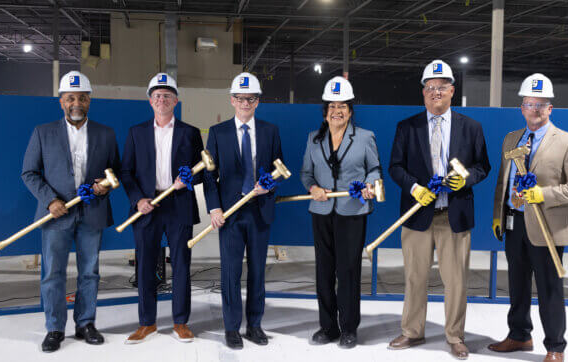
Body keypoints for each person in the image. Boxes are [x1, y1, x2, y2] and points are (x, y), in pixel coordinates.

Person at [388, 60, 490, 359]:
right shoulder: (407, 127)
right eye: (430, 87)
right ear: (423, 92)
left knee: (456, 281)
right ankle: (412, 332)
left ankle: (455, 336)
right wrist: (413, 187)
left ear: (452, 91)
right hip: (417, 214)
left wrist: (465, 179)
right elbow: (395, 166)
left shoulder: (471, 127)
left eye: (442, 87)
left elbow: (483, 166)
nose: (436, 93)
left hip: (454, 216)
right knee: (415, 277)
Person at [488, 73, 568, 362]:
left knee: (549, 289)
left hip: (547, 226)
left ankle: (555, 347)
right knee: (517, 286)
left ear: (550, 109)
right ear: (522, 107)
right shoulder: (512, 139)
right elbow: (503, 181)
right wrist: (499, 213)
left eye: (540, 104)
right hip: (514, 223)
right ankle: (519, 335)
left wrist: (541, 195)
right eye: (529, 103)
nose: (534, 109)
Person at [21, 71, 120, 352]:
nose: (76, 103)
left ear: (89, 101)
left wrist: (104, 185)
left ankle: (85, 323)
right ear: (61, 101)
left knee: (90, 272)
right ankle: (54, 328)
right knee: (53, 273)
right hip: (56, 215)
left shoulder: (106, 133)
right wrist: (50, 200)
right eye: (70, 98)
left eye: (82, 98)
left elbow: (115, 171)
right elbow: (29, 173)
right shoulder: (43, 133)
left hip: (92, 213)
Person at [121, 73, 204, 344]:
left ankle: (180, 322)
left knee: (181, 264)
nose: (162, 100)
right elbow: (127, 171)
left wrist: (188, 179)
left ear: (176, 101)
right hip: (147, 206)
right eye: (157, 95)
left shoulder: (190, 133)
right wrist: (137, 200)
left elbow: (201, 171)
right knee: (145, 265)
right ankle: (147, 323)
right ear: (150, 101)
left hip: (178, 204)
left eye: (167, 96)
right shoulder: (136, 132)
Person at [300, 76, 382, 349]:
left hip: (352, 210)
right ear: (325, 111)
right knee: (324, 270)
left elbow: (374, 169)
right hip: (321, 211)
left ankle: (349, 328)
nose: (337, 111)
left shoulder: (365, 137)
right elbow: (306, 173)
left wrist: (370, 184)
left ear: (350, 110)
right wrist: (312, 187)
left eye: (343, 106)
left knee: (347, 271)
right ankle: (328, 326)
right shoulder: (313, 139)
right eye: (332, 105)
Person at [203, 72, 283, 349]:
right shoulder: (218, 133)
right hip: (230, 214)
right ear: (232, 100)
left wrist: (269, 185)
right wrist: (214, 208)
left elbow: (279, 169)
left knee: (258, 271)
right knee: (231, 272)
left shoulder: (270, 131)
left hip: (260, 211)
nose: (245, 103)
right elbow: (209, 177)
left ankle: (255, 325)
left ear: (258, 102)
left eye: (250, 98)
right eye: (240, 98)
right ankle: (232, 328)